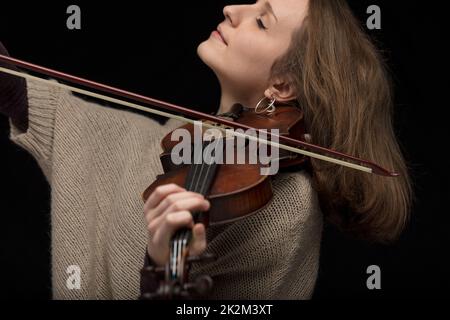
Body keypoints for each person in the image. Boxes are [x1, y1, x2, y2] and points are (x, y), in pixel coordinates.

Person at [0, 0, 412, 300]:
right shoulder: (186, 137)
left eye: (261, 22)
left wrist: (161, 269)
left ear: (282, 86)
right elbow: (96, 138)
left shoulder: (284, 201)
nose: (232, 9)